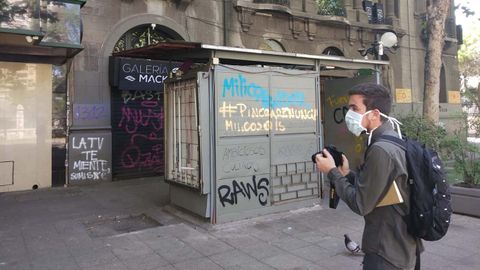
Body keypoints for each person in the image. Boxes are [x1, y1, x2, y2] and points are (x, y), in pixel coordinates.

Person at [315, 83, 422, 270]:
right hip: (402, 244)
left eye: (354, 108)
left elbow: (360, 204)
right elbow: (379, 188)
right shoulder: (392, 138)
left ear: (374, 113)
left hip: (387, 251)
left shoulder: (381, 150)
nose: (349, 113)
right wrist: (347, 174)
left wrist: (331, 172)